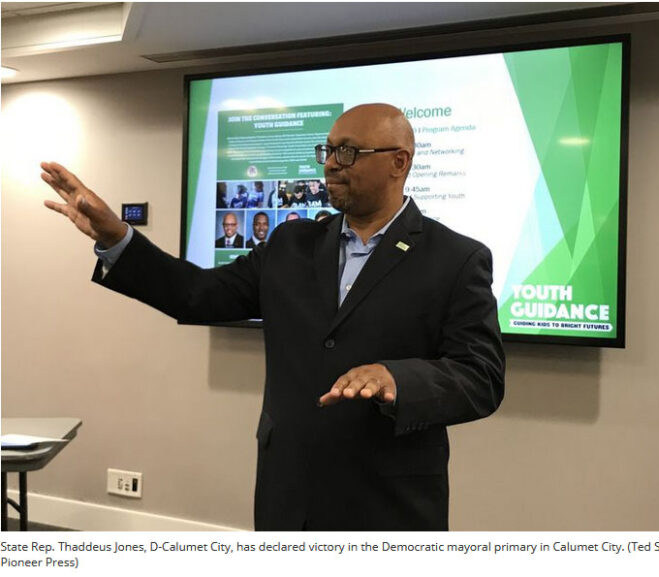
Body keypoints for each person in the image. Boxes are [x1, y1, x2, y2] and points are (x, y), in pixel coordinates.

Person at [41, 103, 504, 531]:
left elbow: (480, 376)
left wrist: (398, 378)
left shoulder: (455, 259)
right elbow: (196, 295)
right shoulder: (291, 245)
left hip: (389, 502)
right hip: (289, 493)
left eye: (348, 151)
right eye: (328, 149)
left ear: (399, 162)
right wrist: (118, 237)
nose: (331, 163)